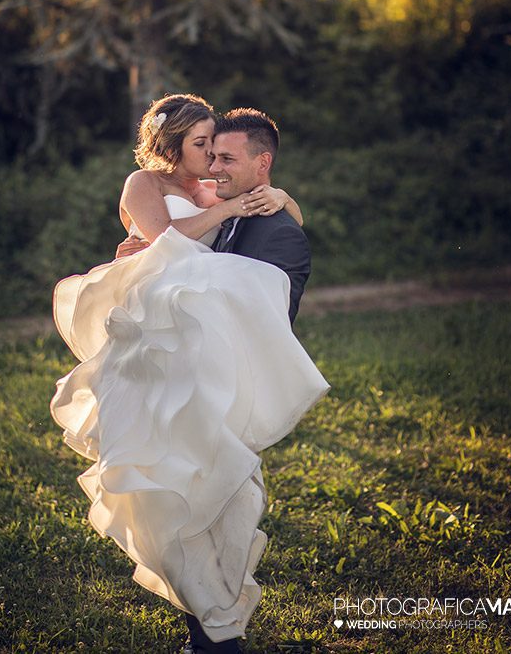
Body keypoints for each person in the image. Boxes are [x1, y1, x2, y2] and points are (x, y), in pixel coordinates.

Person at [50, 94, 329, 654]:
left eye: (213, 145)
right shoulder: (144, 185)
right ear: (172, 144)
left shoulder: (207, 189)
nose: (209, 155)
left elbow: (282, 220)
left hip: (200, 345)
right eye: (201, 143)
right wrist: (220, 214)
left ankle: (215, 617)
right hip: (159, 344)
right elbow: (168, 243)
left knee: (211, 476)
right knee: (164, 473)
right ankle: (209, 618)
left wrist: (281, 197)